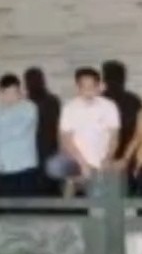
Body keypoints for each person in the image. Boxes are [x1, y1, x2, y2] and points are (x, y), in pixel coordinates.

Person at [47, 68, 121, 197]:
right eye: (83, 86)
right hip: (76, 162)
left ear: (98, 87)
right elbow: (66, 138)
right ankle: (73, 183)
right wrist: (82, 164)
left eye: (91, 86)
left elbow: (114, 137)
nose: (88, 90)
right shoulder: (69, 108)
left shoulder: (109, 106)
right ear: (77, 87)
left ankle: (86, 184)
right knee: (55, 166)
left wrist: (108, 158)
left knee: (97, 203)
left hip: (100, 164)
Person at [0, 74, 40, 195]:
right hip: (1, 168)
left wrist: (0, 130)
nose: (11, 96)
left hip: (24, 168)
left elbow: (18, 131)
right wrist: (3, 132)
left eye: (14, 92)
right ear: (1, 93)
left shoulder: (29, 108)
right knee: (2, 205)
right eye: (7, 93)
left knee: (25, 205)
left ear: (19, 91)